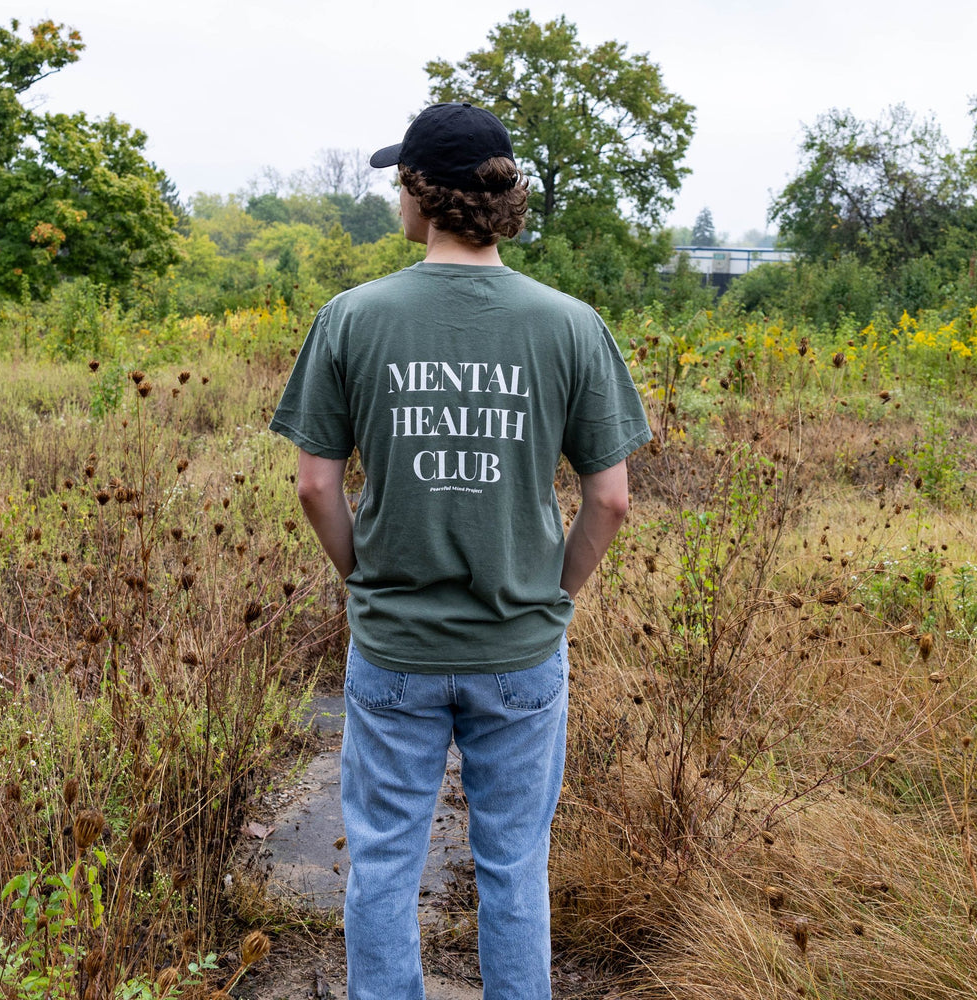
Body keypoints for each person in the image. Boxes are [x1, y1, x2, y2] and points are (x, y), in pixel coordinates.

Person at [269, 101, 652, 1000]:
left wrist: (361, 575)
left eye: (397, 183)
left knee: (384, 867)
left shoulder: (353, 317)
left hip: (396, 646)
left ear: (420, 194)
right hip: (520, 647)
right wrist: (553, 597)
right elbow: (611, 497)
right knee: (515, 869)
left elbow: (316, 485)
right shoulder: (568, 323)